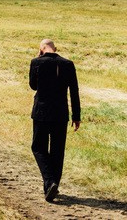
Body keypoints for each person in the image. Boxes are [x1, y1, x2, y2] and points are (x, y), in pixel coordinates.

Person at [29, 38, 80, 202]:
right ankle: (52, 185)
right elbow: (74, 91)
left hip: (41, 112)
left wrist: (38, 59)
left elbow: (33, 86)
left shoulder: (36, 62)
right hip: (60, 113)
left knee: (38, 147)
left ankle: (50, 182)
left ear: (42, 48)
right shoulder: (68, 64)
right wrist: (76, 116)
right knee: (57, 150)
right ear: (55, 48)